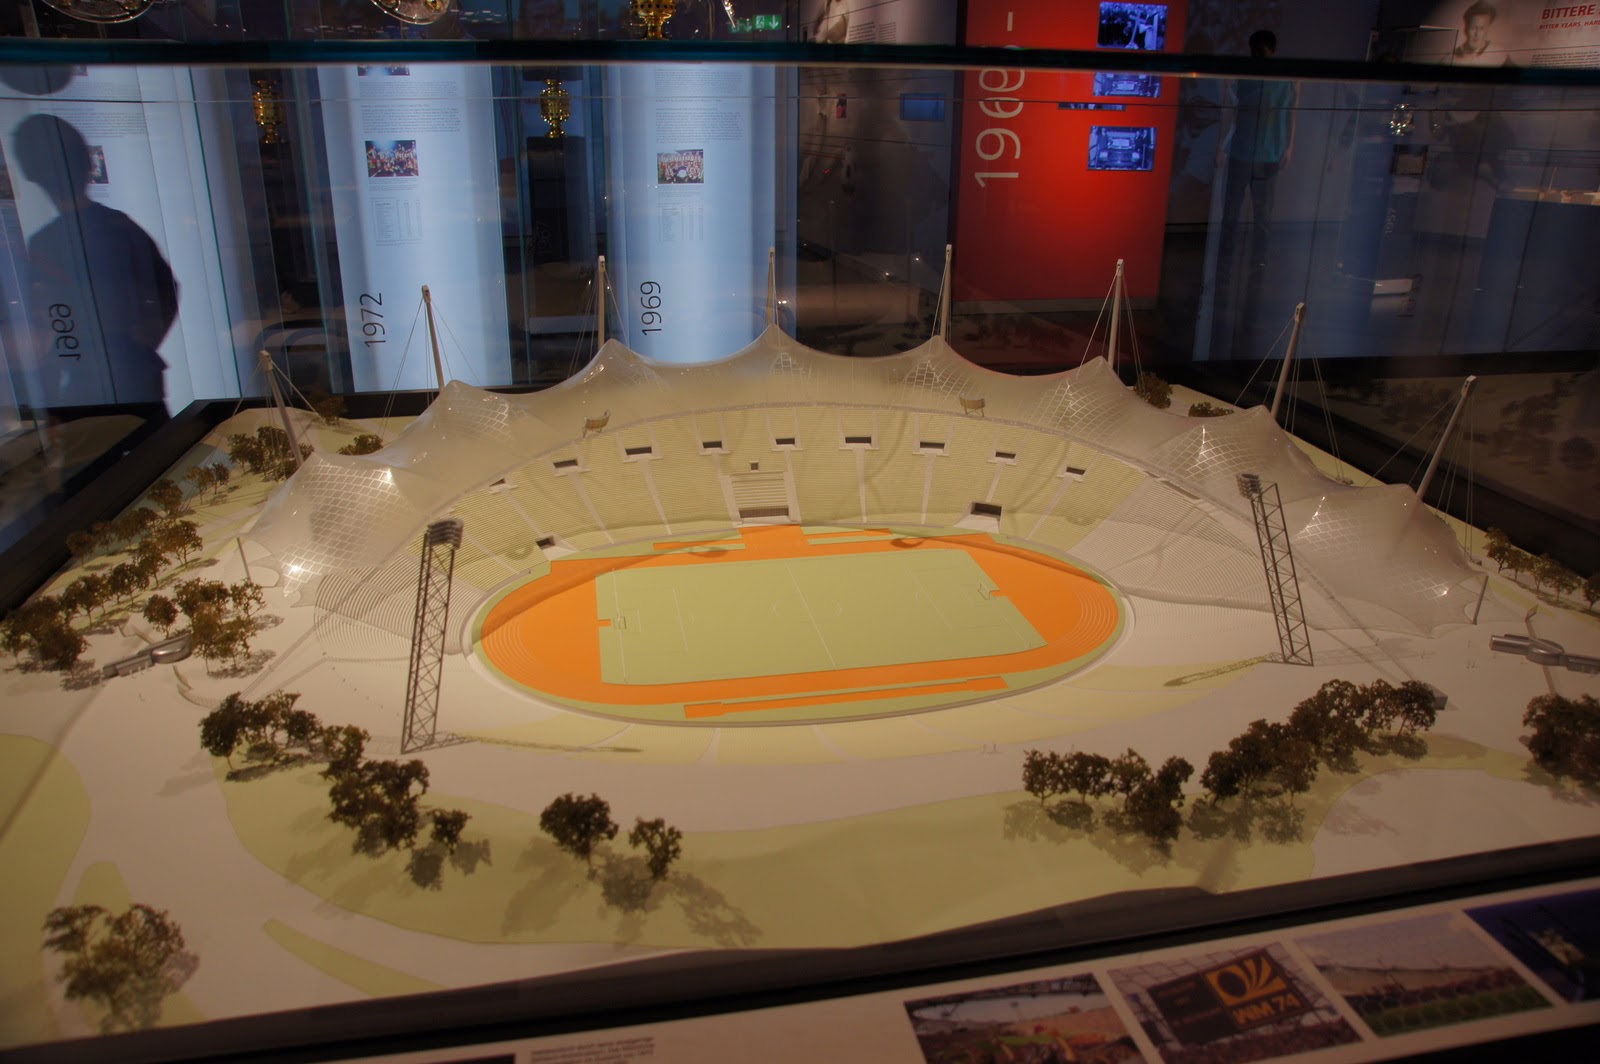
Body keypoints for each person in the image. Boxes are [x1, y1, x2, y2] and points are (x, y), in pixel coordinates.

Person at [13, 114, 177, 410]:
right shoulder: (119, 226)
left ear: (31, 171)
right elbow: (166, 288)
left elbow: (48, 320)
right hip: (131, 377)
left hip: (103, 382)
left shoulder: (47, 242)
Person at [1452, 2, 1506, 66]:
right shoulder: (1451, 57)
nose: (1477, 34)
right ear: (1465, 29)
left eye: (1482, 28)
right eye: (1473, 28)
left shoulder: (1500, 58)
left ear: (1487, 30)